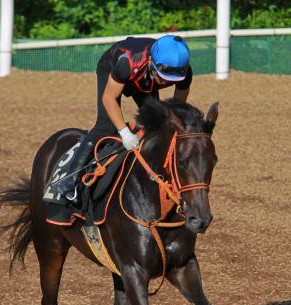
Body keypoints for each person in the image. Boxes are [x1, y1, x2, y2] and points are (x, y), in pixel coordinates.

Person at [58, 34, 192, 202]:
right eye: (162, 76)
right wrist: (125, 133)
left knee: (158, 125)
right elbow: (109, 98)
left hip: (144, 77)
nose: (164, 82)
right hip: (114, 67)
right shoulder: (126, 63)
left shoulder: (184, 72)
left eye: (170, 81)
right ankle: (70, 180)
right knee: (105, 127)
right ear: (151, 60)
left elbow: (175, 107)